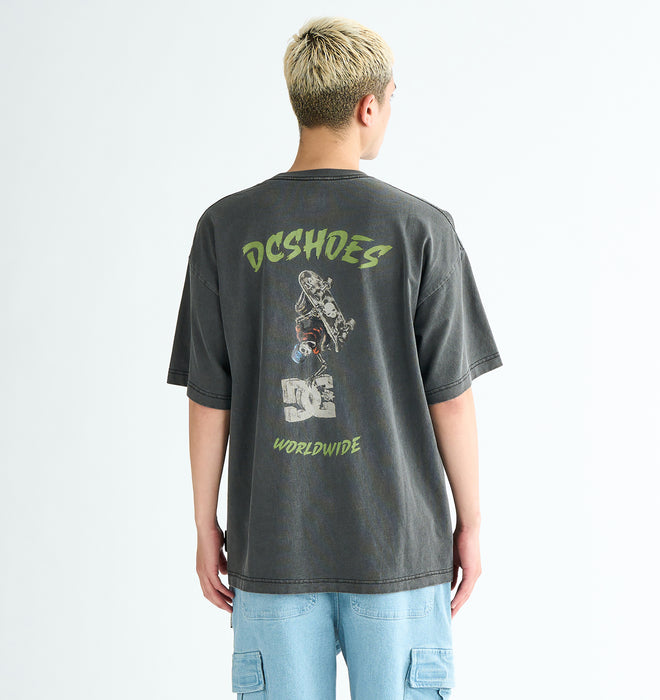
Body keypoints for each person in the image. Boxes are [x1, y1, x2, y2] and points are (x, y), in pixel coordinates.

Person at [166, 15, 503, 699]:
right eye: (391, 100)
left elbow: (208, 397)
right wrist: (470, 523)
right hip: (399, 547)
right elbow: (451, 397)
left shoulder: (225, 227)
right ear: (368, 106)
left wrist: (205, 526)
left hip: (273, 545)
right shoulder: (421, 229)